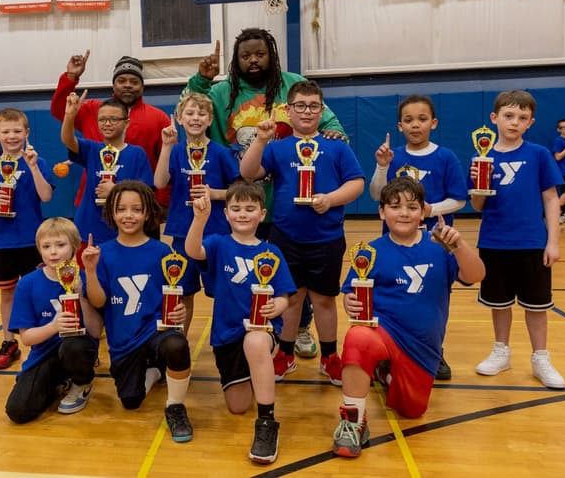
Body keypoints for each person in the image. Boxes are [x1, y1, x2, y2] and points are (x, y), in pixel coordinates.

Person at [186, 28, 350, 359]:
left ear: (271, 54)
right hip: (245, 204)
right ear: (236, 60)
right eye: (246, 56)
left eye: (260, 53)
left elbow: (329, 124)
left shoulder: (292, 84)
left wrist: (333, 131)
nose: (253, 60)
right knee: (255, 276)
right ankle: (254, 330)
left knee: (293, 283)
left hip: (289, 209)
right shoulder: (222, 92)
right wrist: (201, 80)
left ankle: (300, 330)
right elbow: (190, 111)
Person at [332, 177, 485, 458]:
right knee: (358, 338)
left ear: (423, 212)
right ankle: (353, 422)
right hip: (384, 331)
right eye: (395, 206)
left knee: (412, 411)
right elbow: (349, 294)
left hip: (422, 347)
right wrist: (349, 303)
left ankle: (384, 371)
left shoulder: (440, 246)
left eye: (412, 207)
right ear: (381, 213)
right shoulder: (371, 252)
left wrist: (459, 245)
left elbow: (476, 276)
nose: (404, 213)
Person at [239, 80, 364, 386]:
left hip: (327, 238)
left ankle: (330, 356)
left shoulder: (337, 147)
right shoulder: (277, 148)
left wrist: (330, 200)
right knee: (291, 300)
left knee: (324, 300)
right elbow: (247, 173)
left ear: (322, 111)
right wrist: (260, 140)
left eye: (313, 106)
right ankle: (285, 353)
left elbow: (356, 183)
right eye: (300, 106)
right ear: (288, 110)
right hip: (286, 237)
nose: (307, 112)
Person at [185, 181, 296, 464]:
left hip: (262, 331)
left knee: (256, 341)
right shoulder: (219, 243)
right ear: (226, 213)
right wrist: (200, 219)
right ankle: (256, 374)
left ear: (262, 213)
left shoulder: (272, 252)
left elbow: (286, 297)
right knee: (237, 407)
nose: (243, 214)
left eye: (250, 209)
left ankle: (267, 423)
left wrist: (276, 307)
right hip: (227, 334)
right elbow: (193, 250)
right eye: (236, 208)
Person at [82, 181, 194, 443]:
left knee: (176, 344)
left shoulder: (162, 252)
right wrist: (89, 270)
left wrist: (177, 313)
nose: (128, 215)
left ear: (147, 213)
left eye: (136, 209)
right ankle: (154, 370)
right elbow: (98, 302)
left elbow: (174, 297)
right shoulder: (103, 253)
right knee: (130, 402)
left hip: (156, 330)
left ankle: (175, 407)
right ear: (112, 212)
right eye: (121, 209)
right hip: (124, 340)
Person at [470, 90, 565, 390]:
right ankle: (502, 352)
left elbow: (551, 199)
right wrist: (478, 185)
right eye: (509, 116)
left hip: (532, 242)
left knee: (536, 306)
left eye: (522, 118)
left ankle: (541, 358)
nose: (515, 122)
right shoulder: (482, 156)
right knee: (499, 303)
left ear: (530, 122)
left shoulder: (538, 154)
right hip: (494, 241)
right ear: (494, 118)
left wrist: (553, 241)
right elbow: (476, 206)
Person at [368, 95, 468, 380]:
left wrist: (429, 210)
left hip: (435, 243)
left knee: (434, 297)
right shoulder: (392, 155)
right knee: (392, 295)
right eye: (409, 120)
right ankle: (387, 351)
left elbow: (459, 199)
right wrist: (382, 166)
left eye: (422, 119)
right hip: (395, 241)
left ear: (433, 123)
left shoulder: (445, 157)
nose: (415, 125)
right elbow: (377, 194)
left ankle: (434, 351)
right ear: (399, 126)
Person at [5, 217, 103, 423]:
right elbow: (27, 338)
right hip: (44, 354)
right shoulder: (28, 284)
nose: (53, 252)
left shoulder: (85, 278)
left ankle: (82, 383)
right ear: (39, 249)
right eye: (46, 246)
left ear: (74, 246)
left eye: (61, 245)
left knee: (73, 346)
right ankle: (58, 382)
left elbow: (95, 332)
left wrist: (81, 295)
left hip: (77, 348)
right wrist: (53, 326)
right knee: (18, 411)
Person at [155, 92, 239, 332]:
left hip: (216, 233)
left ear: (210, 120)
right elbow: (159, 182)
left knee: (222, 291)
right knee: (183, 292)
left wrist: (216, 194)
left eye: (201, 113)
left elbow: (239, 189)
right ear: (179, 119)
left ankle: (227, 339)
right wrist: (166, 146)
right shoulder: (175, 151)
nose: (195, 118)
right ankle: (180, 343)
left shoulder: (221, 153)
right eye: (189, 113)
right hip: (182, 231)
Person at [0, 108, 55, 370]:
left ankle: (45, 335)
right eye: (6, 131)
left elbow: (46, 196)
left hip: (34, 241)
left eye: (17, 131)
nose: (12, 136)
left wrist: (33, 167)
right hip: (3, 242)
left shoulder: (38, 161)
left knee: (40, 289)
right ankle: (8, 341)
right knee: (7, 294)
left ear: (27, 133)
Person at [49, 52, 171, 210]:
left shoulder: (158, 118)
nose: (127, 85)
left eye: (134, 81)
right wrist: (71, 77)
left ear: (142, 86)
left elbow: (166, 162)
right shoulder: (93, 109)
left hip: (138, 204)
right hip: (95, 200)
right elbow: (60, 110)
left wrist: (161, 203)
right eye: (121, 81)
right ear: (113, 85)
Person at [61, 90, 155, 260]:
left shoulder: (137, 153)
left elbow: (146, 193)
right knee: (90, 280)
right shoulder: (92, 149)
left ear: (126, 123)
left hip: (123, 231)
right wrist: (69, 115)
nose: (107, 123)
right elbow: (68, 140)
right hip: (89, 229)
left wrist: (116, 191)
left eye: (113, 119)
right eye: (102, 119)